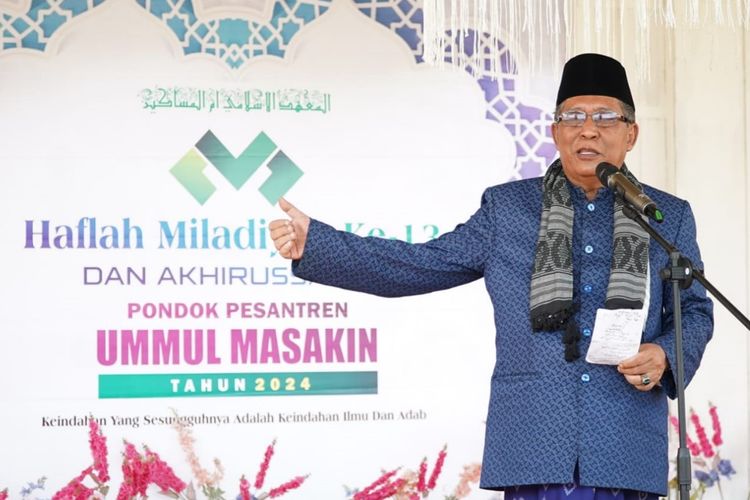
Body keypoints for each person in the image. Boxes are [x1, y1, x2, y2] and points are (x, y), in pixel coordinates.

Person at [269, 53, 713, 499]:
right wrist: (317, 244)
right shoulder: (508, 210)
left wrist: (665, 354)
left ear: (631, 133)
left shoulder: (665, 216)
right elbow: (419, 264)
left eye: (605, 117)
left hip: (623, 444)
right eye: (573, 117)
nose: (588, 130)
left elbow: (695, 310)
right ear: (554, 131)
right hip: (535, 442)